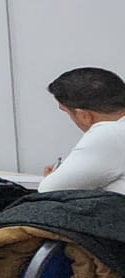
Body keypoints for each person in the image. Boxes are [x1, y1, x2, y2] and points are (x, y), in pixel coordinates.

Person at [40, 66, 125, 195]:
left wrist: (53, 176)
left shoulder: (109, 133)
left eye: (66, 112)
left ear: (84, 115)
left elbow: (50, 190)